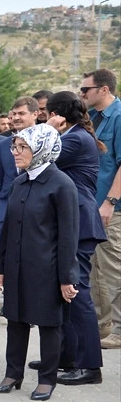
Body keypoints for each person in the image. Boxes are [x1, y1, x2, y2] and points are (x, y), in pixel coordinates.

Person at [0, 124, 79, 401]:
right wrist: (1, 265)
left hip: (47, 268)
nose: (15, 152)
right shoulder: (20, 182)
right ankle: (13, 373)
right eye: (14, 146)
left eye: (22, 147)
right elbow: (7, 228)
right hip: (17, 265)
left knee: (48, 324)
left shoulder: (61, 184)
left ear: (41, 148)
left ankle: (46, 379)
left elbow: (68, 236)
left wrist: (67, 276)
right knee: (15, 320)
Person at [45, 92, 107, 385]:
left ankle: (89, 365)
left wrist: (48, 131)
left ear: (58, 115)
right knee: (66, 290)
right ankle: (67, 357)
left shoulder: (74, 138)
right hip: (73, 221)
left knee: (77, 291)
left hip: (80, 223)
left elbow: (37, 157)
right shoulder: (75, 135)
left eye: (46, 113)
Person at [81, 68, 121, 350]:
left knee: (113, 268)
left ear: (104, 90)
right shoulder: (93, 118)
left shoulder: (118, 117)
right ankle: (103, 325)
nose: (82, 94)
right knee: (96, 269)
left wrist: (110, 202)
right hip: (94, 206)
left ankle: (119, 329)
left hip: (112, 208)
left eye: (86, 90)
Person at [0, 96, 38, 260]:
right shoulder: (4, 145)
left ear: (35, 114)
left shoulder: (45, 141)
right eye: (14, 113)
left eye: (22, 113)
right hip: (3, 211)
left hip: (32, 211)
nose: (16, 118)